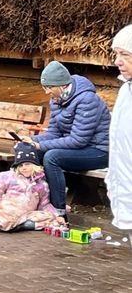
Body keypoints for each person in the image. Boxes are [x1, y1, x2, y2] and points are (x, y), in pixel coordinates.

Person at [17, 60, 109, 220]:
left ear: (62, 85)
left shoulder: (87, 100)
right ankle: (34, 202)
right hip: (80, 147)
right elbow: (53, 132)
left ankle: (58, 212)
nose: (46, 92)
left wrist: (40, 145)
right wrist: (31, 142)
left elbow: (78, 140)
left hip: (99, 151)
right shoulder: (57, 99)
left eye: (49, 88)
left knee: (52, 157)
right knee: (29, 153)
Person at [0, 143, 64, 233]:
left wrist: (56, 215)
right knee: (6, 214)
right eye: (20, 165)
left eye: (27, 164)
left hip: (26, 215)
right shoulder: (9, 177)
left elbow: (44, 204)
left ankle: (22, 226)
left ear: (35, 166)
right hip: (8, 210)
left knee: (49, 217)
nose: (24, 168)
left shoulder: (42, 185)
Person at [107, 24, 132, 240]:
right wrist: (112, 180)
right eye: (116, 54)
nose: (117, 61)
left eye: (125, 54)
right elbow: (118, 143)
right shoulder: (125, 90)